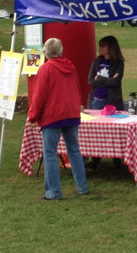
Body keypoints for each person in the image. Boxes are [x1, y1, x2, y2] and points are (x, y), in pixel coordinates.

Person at [27, 37, 89, 200]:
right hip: (70, 113)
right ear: (60, 51)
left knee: (50, 153)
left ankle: (54, 191)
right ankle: (82, 186)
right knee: (74, 150)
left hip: (53, 115)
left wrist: (32, 116)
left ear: (46, 52)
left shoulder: (45, 70)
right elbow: (76, 88)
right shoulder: (70, 67)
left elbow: (38, 96)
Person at [87, 35, 125, 109]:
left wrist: (99, 78)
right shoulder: (96, 62)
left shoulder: (118, 63)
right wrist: (108, 81)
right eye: (100, 45)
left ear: (111, 47)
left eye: (103, 46)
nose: (100, 48)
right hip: (96, 100)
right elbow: (90, 81)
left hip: (112, 101)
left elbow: (115, 82)